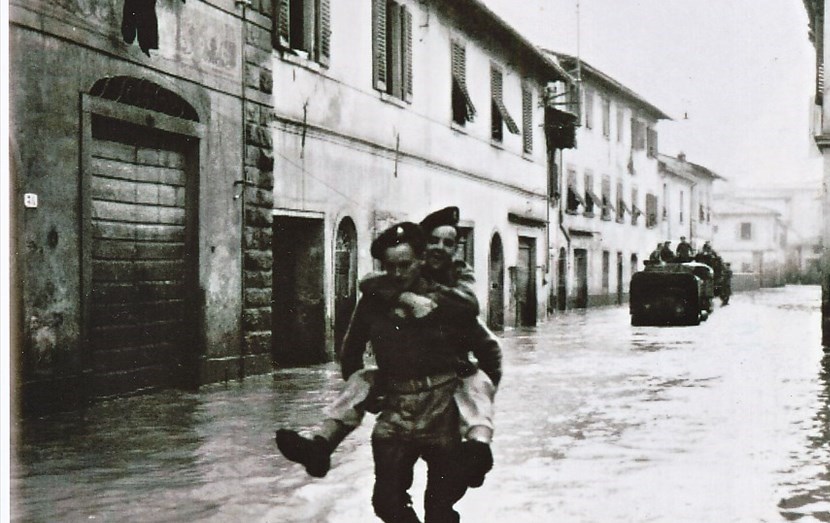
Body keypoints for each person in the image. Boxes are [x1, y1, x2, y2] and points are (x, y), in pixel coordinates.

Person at [341, 222, 477, 522]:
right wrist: (370, 394)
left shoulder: (445, 297)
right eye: (390, 266)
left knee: (441, 505)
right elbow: (350, 354)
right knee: (387, 501)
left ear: (421, 261)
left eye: (405, 265)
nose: (398, 273)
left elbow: (475, 336)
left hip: (442, 410)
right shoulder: (373, 300)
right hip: (396, 412)